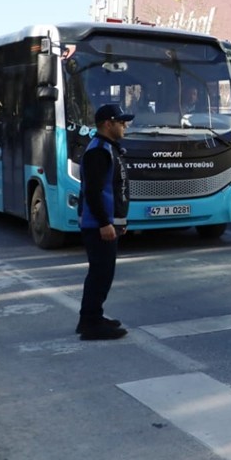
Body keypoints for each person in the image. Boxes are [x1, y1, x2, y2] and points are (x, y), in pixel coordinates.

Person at [76, 104, 133, 340]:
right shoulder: (98, 151)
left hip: (107, 223)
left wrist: (119, 221)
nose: (125, 125)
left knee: (103, 273)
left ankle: (93, 317)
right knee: (100, 274)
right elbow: (93, 192)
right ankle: (90, 324)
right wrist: (104, 223)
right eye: (121, 122)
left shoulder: (108, 148)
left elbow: (115, 188)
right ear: (108, 124)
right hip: (98, 225)